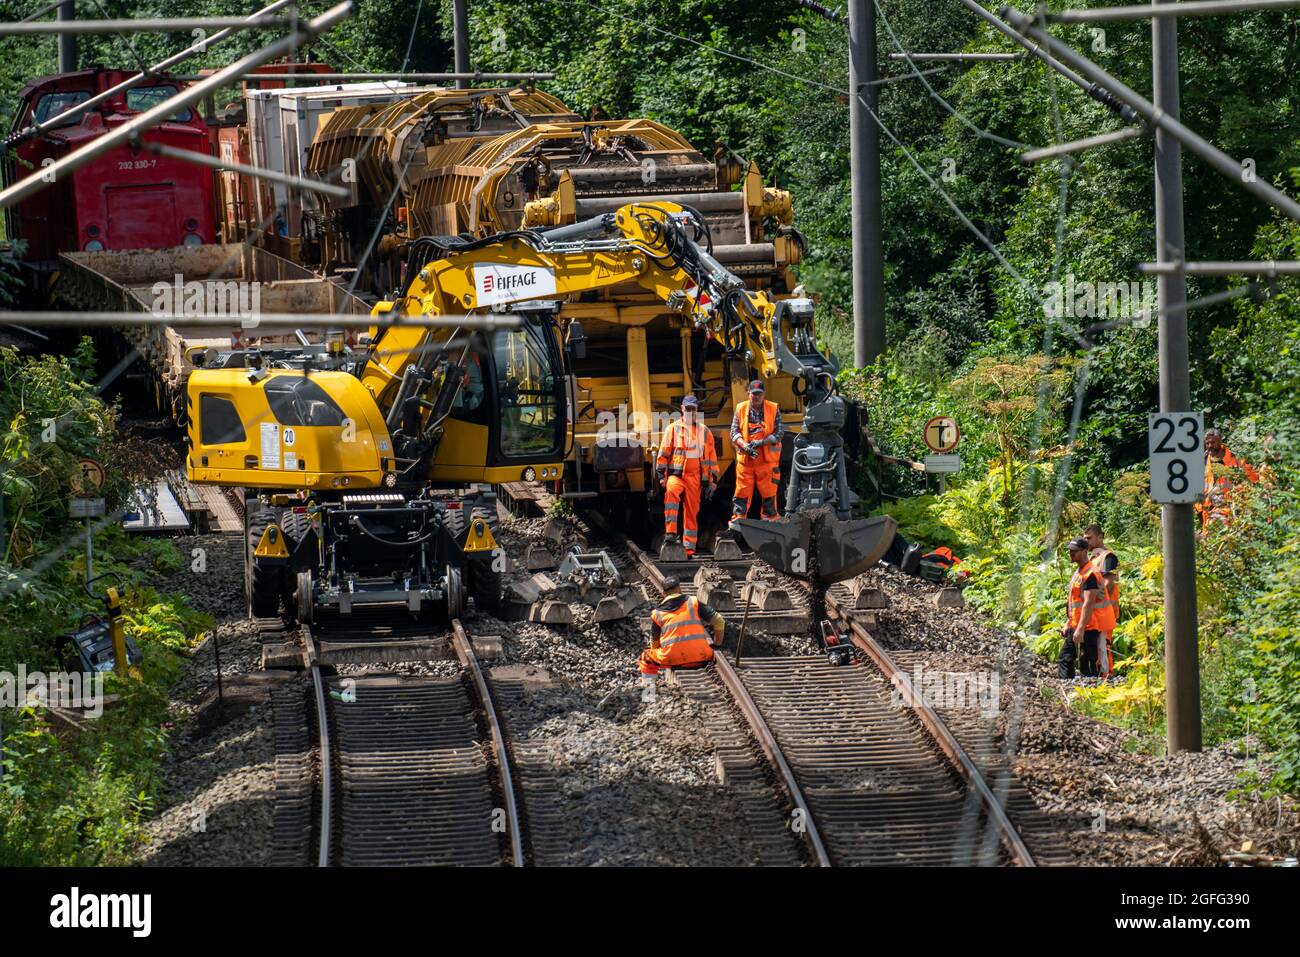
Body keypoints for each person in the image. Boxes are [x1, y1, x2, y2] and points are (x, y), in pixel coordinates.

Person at [656, 395, 719, 557]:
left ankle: (689, 548)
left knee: (692, 511)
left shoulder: (704, 431)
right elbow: (663, 453)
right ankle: (670, 534)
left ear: (697, 410)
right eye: (688, 408)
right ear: (682, 409)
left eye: (693, 409)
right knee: (671, 494)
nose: (691, 411)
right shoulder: (673, 429)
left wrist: (713, 481)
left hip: (695, 477)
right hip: (676, 476)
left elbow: (712, 459)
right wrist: (661, 476)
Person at [638, 575, 726, 678]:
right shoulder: (693, 602)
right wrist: (716, 645)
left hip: (672, 659)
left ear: (663, 594)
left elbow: (655, 644)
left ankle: (649, 690)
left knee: (645, 657)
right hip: (702, 655)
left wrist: (665, 651)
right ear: (680, 589)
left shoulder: (657, 613)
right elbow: (719, 620)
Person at [1059, 537, 1116, 679]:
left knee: (1088, 664)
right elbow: (1075, 602)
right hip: (1078, 624)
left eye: (1075, 551)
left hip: (1090, 627)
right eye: (1070, 551)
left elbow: (1089, 603)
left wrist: (1081, 628)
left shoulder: (1090, 574)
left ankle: (1093, 691)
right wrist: (1069, 623)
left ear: (1084, 552)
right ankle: (1068, 688)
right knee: (1065, 658)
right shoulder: (1080, 572)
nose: (1071, 554)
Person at [729, 380, 783, 527]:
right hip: (746, 462)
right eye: (754, 394)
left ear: (764, 394)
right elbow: (734, 433)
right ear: (748, 394)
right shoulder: (740, 409)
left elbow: (779, 433)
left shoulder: (773, 408)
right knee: (741, 494)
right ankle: (738, 526)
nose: (756, 397)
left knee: (769, 495)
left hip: (767, 462)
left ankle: (770, 525)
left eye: (759, 394)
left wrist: (761, 443)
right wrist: (745, 446)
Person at [1197, 428, 1259, 529]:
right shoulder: (1202, 460)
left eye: (1213, 442)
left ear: (1220, 442)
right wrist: (1199, 508)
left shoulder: (1234, 458)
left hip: (1232, 508)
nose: (1209, 446)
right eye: (1207, 443)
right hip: (1208, 510)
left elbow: (1253, 478)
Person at [1082, 523, 1119, 678]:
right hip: (1095, 611)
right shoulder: (1094, 558)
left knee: (1103, 646)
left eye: (1089, 538)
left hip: (1105, 612)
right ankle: (1099, 676)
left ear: (1100, 537)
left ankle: (1106, 676)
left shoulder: (1108, 557)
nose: (1087, 542)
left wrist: (1093, 597)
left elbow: (1108, 584)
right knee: (1096, 647)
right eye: (1085, 539)